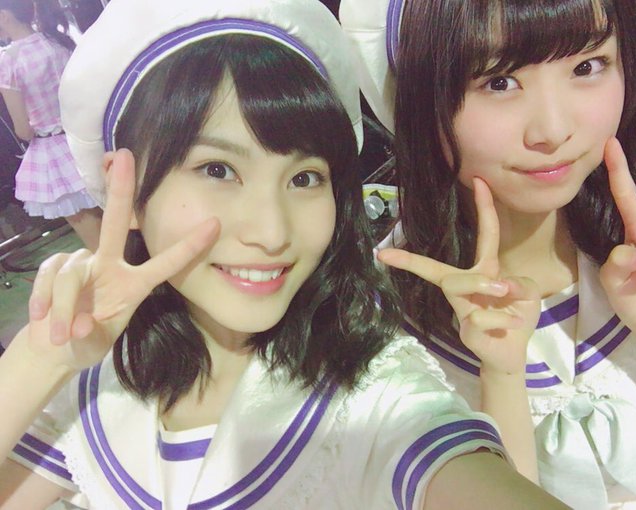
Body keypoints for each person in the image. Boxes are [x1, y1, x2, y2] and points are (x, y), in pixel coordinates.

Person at [0, 0, 570, 508]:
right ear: (123, 187)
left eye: (305, 178)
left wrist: (502, 377)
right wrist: (41, 357)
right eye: (217, 169)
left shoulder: (376, 398)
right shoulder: (91, 385)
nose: (273, 232)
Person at [340, 0, 636, 507]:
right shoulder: (376, 329)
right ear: (419, 99)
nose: (552, 130)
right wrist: (501, 378)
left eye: (587, 67)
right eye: (499, 81)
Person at [0, 0, 101, 251]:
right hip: (89, 136)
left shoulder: (9, 60)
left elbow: (23, 130)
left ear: (4, 16)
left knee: (99, 243)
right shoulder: (57, 40)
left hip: (54, 153)